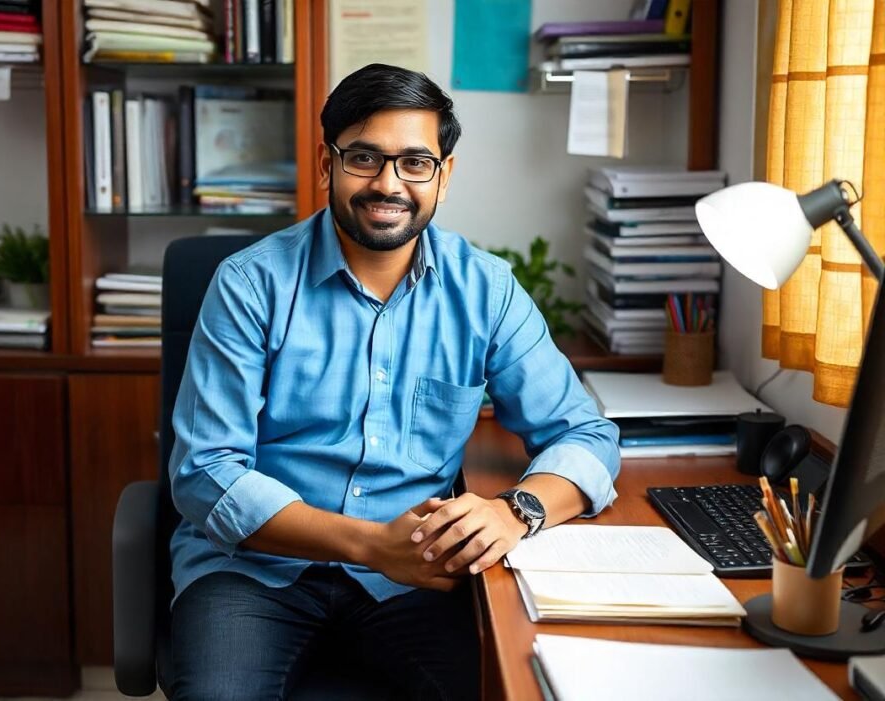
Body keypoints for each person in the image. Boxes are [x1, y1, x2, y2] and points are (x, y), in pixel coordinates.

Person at [167, 63, 620, 700]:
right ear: (328, 165)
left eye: (414, 162)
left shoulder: (484, 289)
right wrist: (372, 545)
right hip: (254, 572)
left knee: (506, 687)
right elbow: (205, 473)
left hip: (414, 579)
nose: (389, 184)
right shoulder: (250, 285)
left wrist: (515, 510)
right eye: (364, 158)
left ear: (444, 174)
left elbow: (585, 434)